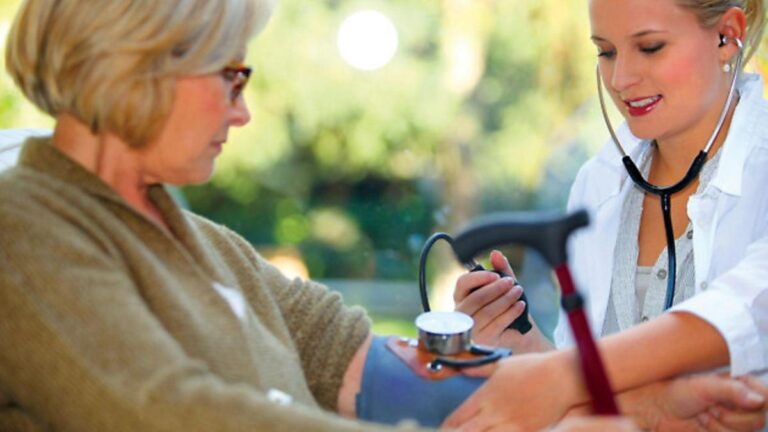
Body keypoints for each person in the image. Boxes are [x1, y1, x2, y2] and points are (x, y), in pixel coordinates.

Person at [0, 1, 766, 431]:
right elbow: (172, 413)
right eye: (231, 76)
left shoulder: (195, 240)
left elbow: (358, 363)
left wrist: (626, 401)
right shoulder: (26, 232)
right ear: (140, 70)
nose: (245, 111)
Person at [448, 0, 768, 430]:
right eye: (606, 51)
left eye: (650, 47)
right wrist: (524, 348)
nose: (621, 80)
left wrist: (553, 378)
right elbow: (592, 405)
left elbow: (747, 313)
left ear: (727, 35)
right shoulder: (597, 186)